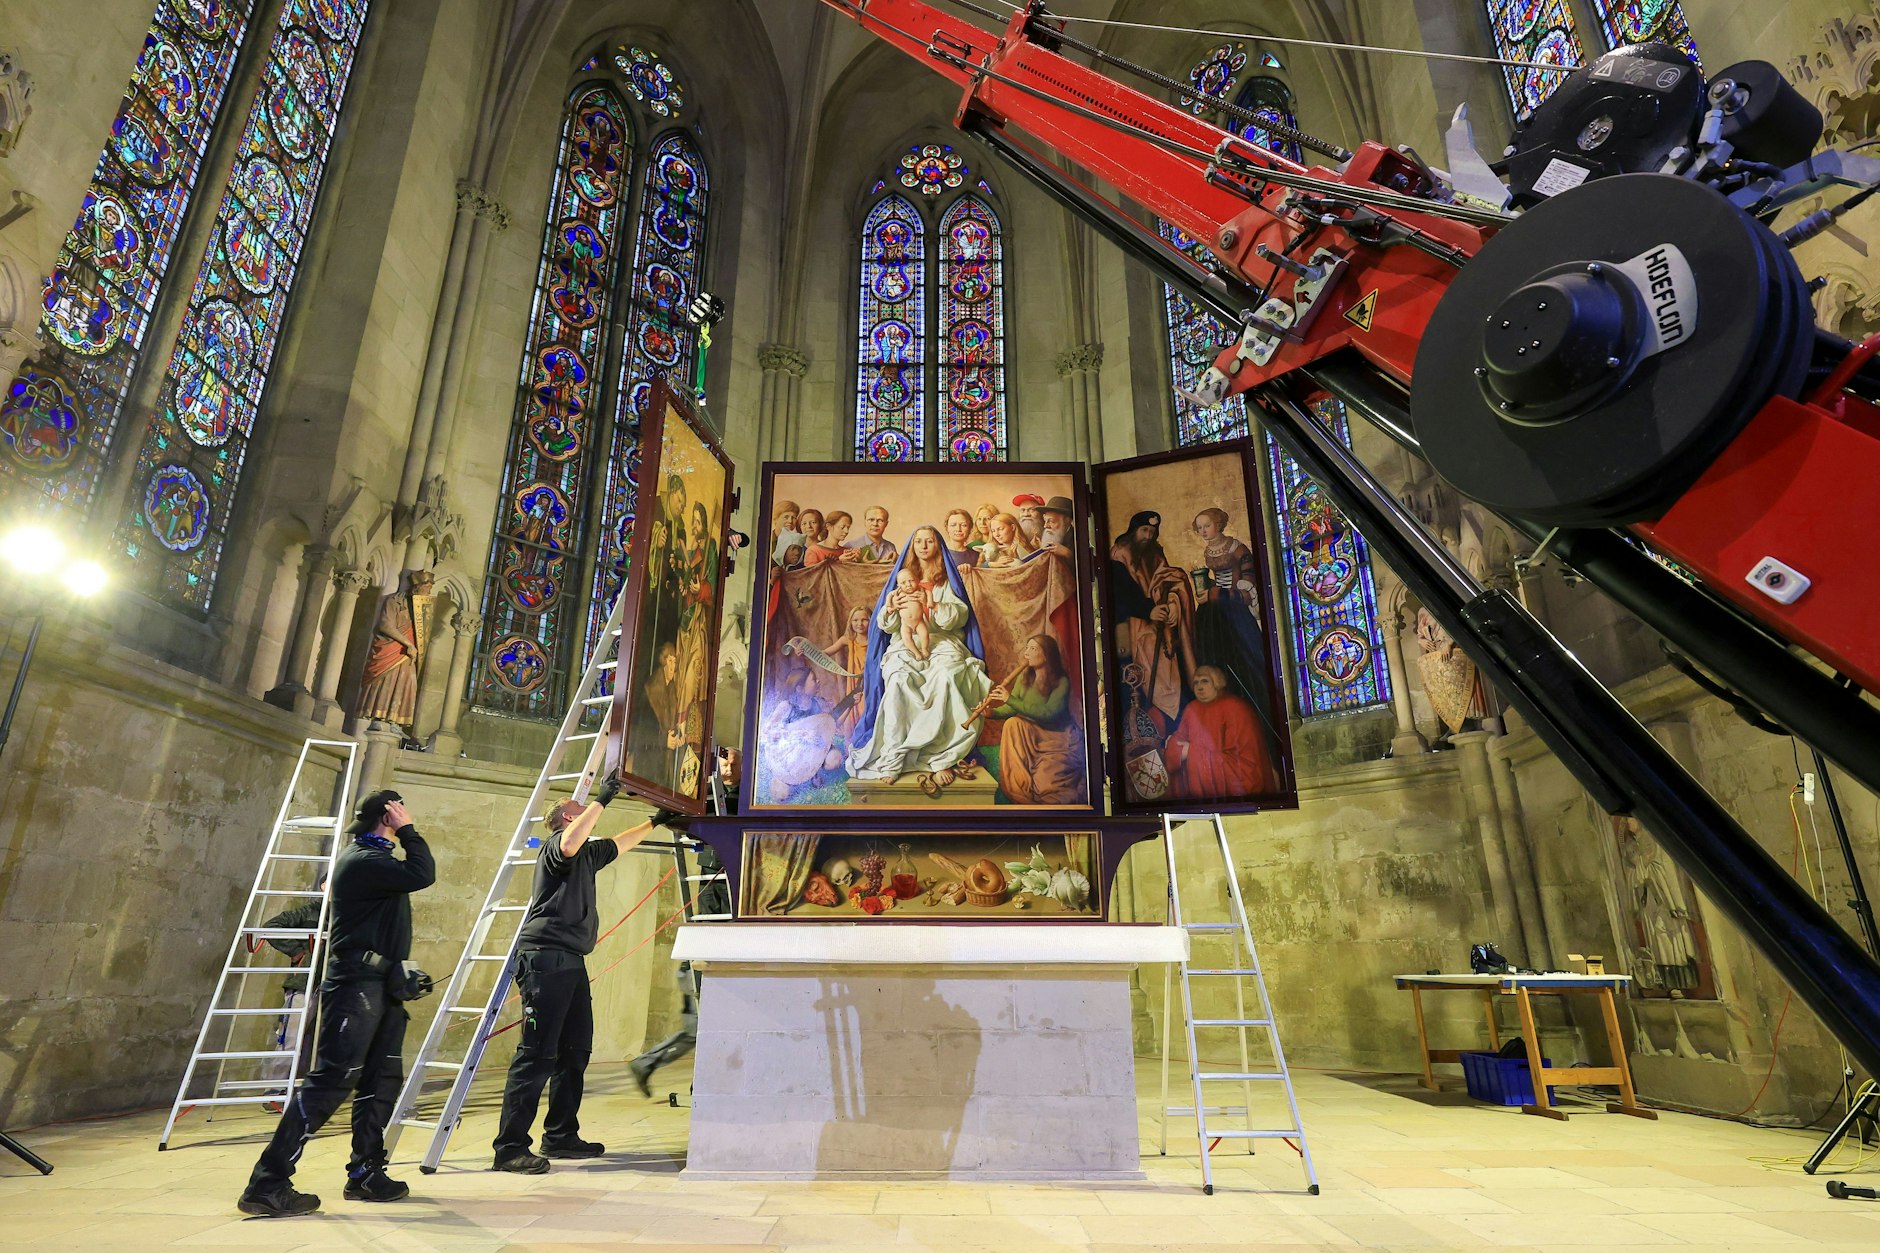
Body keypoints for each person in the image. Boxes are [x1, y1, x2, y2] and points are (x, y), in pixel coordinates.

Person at [238, 791, 435, 1218]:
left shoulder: (374, 859)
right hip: (355, 990)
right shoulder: (363, 859)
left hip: (380, 988)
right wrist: (409, 830)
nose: (406, 815)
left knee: (381, 1082)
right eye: (399, 810)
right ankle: (267, 1183)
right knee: (331, 1081)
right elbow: (422, 872)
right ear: (388, 815)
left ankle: (366, 1173)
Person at [491, 775, 664, 1173]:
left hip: (571, 960)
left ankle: (561, 1135)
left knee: (575, 1052)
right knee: (536, 1056)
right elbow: (569, 842)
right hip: (544, 958)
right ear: (569, 817)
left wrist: (656, 821)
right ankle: (509, 1148)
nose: (590, 817)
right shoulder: (558, 846)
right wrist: (602, 798)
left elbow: (621, 843)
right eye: (581, 810)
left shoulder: (588, 854)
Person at [845, 526, 991, 788]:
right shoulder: (901, 580)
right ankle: (894, 757)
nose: (924, 546)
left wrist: (934, 605)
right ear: (912, 546)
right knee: (899, 679)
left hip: (942, 641)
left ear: (938, 546)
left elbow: (960, 615)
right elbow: (886, 626)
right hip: (904, 641)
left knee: (947, 675)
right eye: (919, 542)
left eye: (930, 541)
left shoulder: (946, 580)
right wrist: (890, 609)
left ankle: (940, 756)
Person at [629, 754, 739, 1097]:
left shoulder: (740, 799)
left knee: (702, 1026)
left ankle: (677, 1075)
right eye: (722, 765)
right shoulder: (713, 799)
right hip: (705, 949)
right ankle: (678, 1075)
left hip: (714, 936)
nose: (727, 769)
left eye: (732, 763)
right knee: (701, 1025)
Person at [983, 634, 1086, 805]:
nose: (1027, 653)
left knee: (1047, 785)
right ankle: (1020, 786)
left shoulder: (1061, 682)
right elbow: (1011, 708)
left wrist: (1010, 699)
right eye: (1027, 648)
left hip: (1057, 739)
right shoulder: (1024, 679)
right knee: (1013, 724)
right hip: (1031, 736)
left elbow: (1049, 713)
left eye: (1033, 649)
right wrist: (990, 713)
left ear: (1047, 654)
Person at [1166, 665, 1277, 797]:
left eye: (1205, 681)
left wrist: (1191, 752)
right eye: (1196, 682)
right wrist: (1178, 750)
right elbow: (1177, 743)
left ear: (1217, 682)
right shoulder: (1192, 709)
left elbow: (1243, 768)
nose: (1199, 687)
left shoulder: (1236, 708)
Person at [891, 567, 933, 661]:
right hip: (906, 624)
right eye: (903, 583)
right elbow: (890, 595)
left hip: (919, 621)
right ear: (898, 585)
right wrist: (891, 605)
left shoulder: (919, 590)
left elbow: (928, 592)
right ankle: (916, 652)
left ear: (917, 580)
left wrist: (929, 601)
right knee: (906, 638)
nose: (908, 585)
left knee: (924, 634)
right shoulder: (898, 593)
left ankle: (924, 649)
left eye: (911, 580)